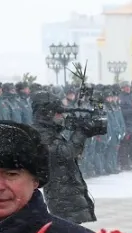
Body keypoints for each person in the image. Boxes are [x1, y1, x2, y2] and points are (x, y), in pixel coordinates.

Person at [31, 92, 106, 224]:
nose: (61, 117)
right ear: (47, 114)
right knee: (67, 230)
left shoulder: (50, 131)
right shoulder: (41, 133)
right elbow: (65, 154)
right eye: (58, 114)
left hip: (67, 191)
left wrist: (84, 128)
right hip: (60, 195)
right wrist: (81, 132)